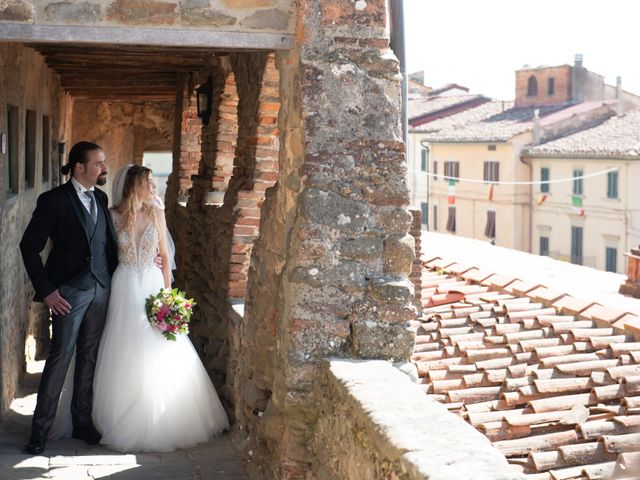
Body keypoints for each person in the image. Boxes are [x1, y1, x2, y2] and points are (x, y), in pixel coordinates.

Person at [91, 164, 228, 452]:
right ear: (134, 186)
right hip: (125, 284)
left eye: (153, 182)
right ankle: (121, 413)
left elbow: (165, 257)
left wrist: (167, 296)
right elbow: (104, 255)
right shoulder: (114, 216)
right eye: (148, 183)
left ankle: (160, 412)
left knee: (160, 344)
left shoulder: (157, 212)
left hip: (153, 284)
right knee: (125, 345)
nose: (153, 187)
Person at [20, 141, 118, 454]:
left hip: (101, 289)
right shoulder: (53, 201)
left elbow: (105, 244)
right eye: (98, 163)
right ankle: (40, 431)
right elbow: (29, 247)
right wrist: (47, 290)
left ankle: (82, 422)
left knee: (89, 357)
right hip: (68, 292)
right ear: (79, 167)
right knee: (60, 358)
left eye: (103, 163)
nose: (104, 168)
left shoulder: (101, 197)